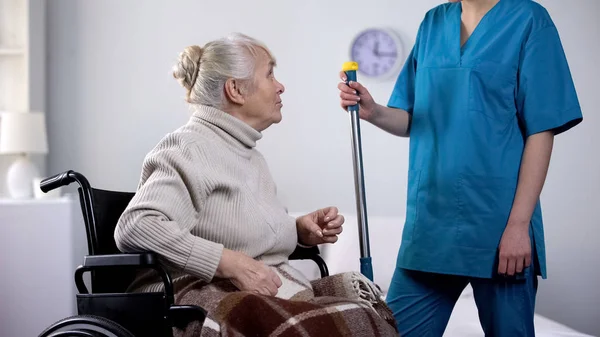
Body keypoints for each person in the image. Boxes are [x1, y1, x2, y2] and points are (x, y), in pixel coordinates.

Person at [115, 33, 398, 337]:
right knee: (336, 325)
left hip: (250, 286)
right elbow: (136, 226)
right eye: (269, 73)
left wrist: (299, 230)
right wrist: (229, 263)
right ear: (235, 89)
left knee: (366, 310)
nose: (280, 86)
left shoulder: (248, 155)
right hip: (194, 291)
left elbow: (243, 231)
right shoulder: (189, 146)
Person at [338, 0, 583, 336]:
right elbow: (412, 116)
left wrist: (519, 225)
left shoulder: (528, 19)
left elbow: (542, 130)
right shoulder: (433, 22)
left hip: (497, 227)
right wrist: (373, 110)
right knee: (391, 331)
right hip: (430, 226)